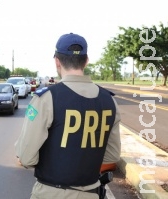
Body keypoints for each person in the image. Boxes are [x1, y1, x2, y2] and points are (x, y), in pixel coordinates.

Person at [14, 33, 121, 199]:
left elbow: (27, 158)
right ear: (86, 61)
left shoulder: (46, 98)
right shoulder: (109, 100)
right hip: (91, 193)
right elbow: (112, 156)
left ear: (57, 61)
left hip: (50, 193)